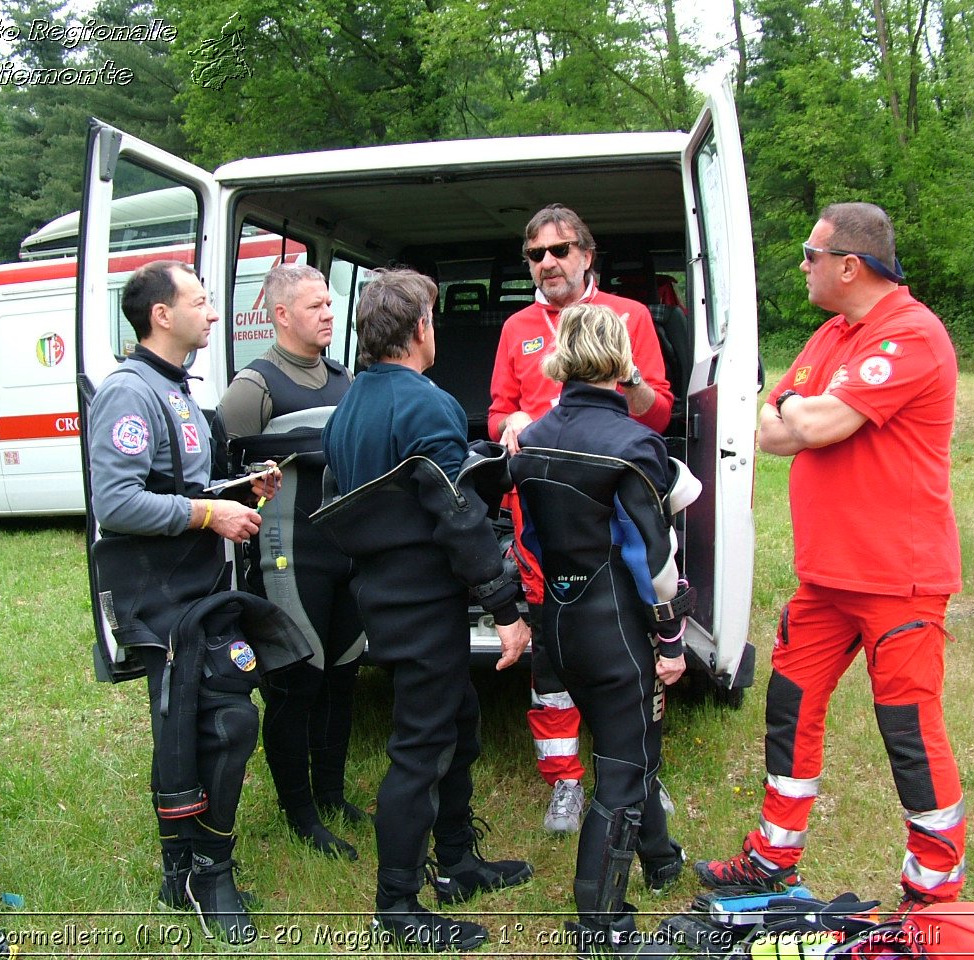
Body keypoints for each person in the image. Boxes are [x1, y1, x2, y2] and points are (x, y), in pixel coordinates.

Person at [693, 203, 967, 911]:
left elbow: (810, 419)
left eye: (812, 255)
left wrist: (803, 414)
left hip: (896, 581)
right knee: (788, 708)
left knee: (908, 731)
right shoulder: (829, 334)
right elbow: (774, 429)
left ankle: (933, 895)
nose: (803, 265)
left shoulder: (911, 334)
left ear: (851, 265)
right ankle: (772, 859)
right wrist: (800, 415)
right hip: (827, 581)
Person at [316, 268, 534, 952]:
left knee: (460, 725)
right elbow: (457, 513)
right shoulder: (428, 402)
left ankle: (460, 864)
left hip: (382, 592)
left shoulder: (348, 406)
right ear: (420, 330)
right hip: (418, 598)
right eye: (433, 321)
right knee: (420, 749)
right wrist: (503, 604)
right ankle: (398, 905)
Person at [87, 260, 300, 945]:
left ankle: (191, 870)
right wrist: (209, 515)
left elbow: (182, 481)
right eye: (201, 302)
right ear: (161, 315)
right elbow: (117, 502)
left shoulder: (178, 389)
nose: (212, 314)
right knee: (205, 727)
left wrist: (238, 489)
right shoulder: (128, 392)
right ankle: (200, 872)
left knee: (225, 722)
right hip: (159, 594)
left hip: (200, 590)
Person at [510, 303, 700, 955]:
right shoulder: (633, 443)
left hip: (558, 620)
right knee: (621, 766)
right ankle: (603, 927)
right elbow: (655, 557)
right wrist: (672, 636)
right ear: (623, 360)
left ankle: (661, 857)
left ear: (562, 355)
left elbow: (529, 534)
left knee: (635, 742)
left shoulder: (531, 436)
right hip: (612, 623)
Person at [488, 203, 675, 834]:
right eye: (536, 255)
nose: (548, 264)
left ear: (587, 255)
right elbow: (496, 415)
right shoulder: (517, 328)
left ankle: (639, 775)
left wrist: (628, 381)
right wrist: (510, 422)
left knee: (630, 652)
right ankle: (564, 781)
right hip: (544, 522)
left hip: (613, 521)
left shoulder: (631, 317)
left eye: (560, 250)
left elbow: (659, 414)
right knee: (551, 653)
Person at [216, 263, 367, 861]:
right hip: (288, 556)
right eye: (315, 307)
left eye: (330, 305)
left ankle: (330, 794)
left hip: (344, 554)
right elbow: (225, 480)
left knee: (344, 675)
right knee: (296, 682)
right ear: (281, 316)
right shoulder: (253, 387)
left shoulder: (344, 378)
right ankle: (299, 812)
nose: (329, 314)